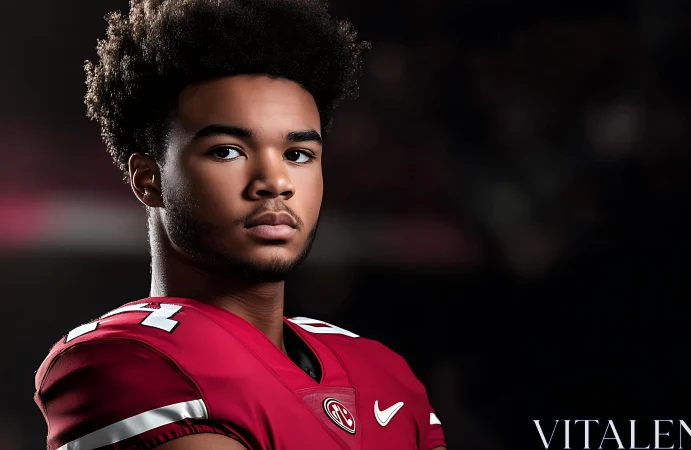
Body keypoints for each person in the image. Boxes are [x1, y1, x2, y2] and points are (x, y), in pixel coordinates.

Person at [32, 1, 447, 449]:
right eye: (227, 151)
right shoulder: (122, 358)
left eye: (298, 154)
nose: (275, 183)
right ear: (149, 181)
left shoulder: (382, 371)